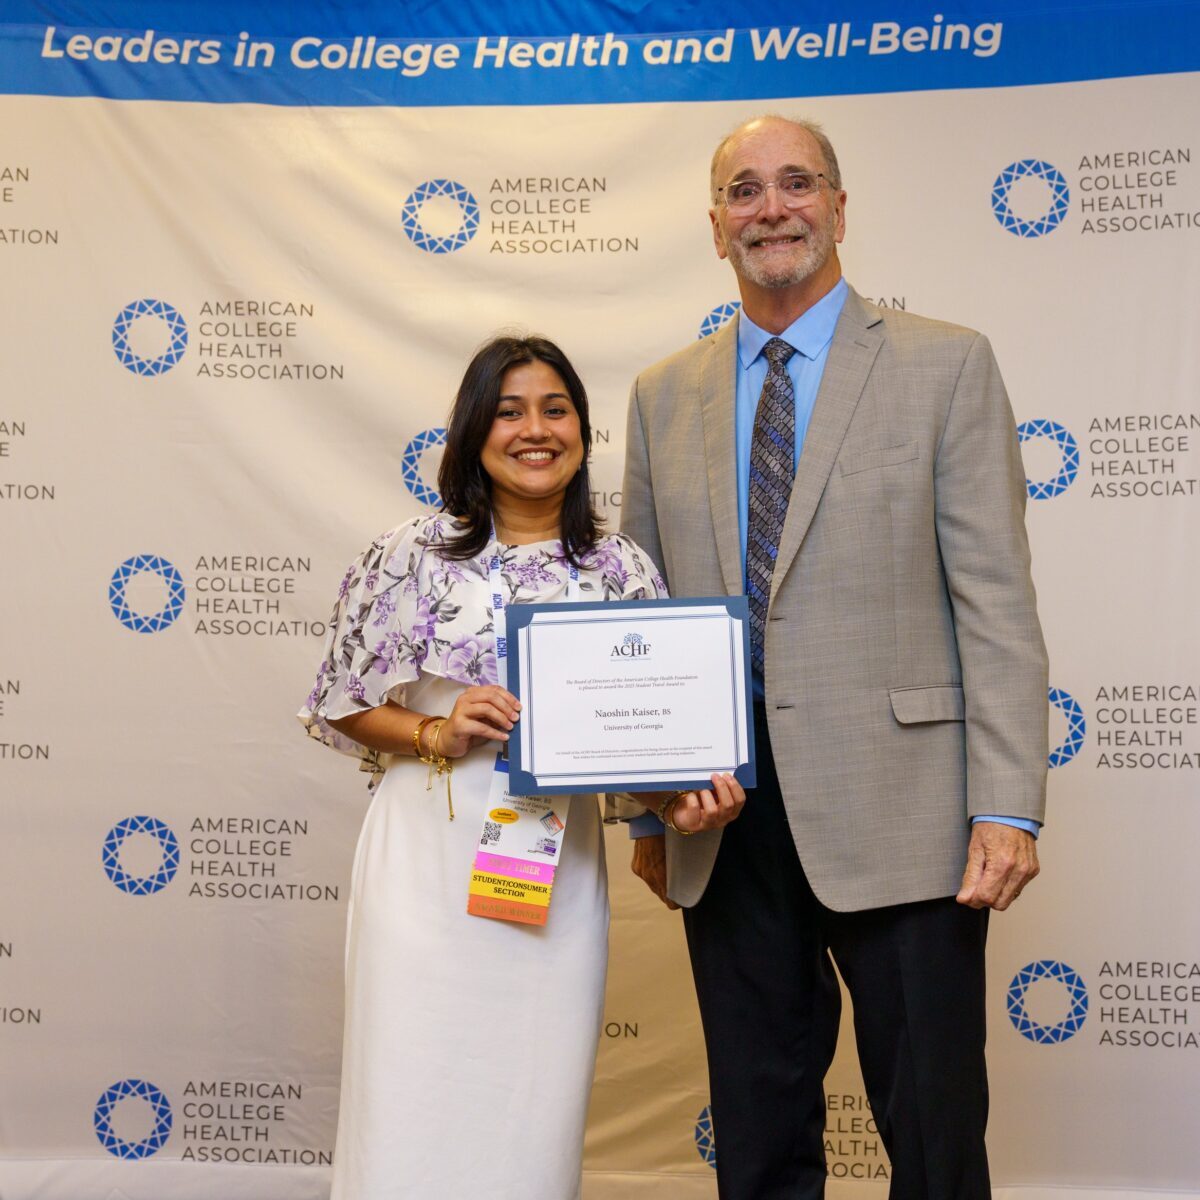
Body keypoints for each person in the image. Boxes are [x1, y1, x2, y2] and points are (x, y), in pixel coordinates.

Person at [619, 116, 1049, 1198]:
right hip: (725, 817)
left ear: (840, 206)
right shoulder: (662, 395)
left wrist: (1008, 803)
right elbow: (645, 611)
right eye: (745, 192)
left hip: (911, 812)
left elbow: (994, 600)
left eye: (796, 183)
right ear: (715, 227)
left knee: (936, 1137)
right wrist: (644, 803)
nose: (773, 208)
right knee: (758, 1141)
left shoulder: (946, 365)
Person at [299, 333, 744, 1200]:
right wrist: (435, 729)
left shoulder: (621, 569)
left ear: (581, 430)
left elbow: (645, 747)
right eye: (508, 412)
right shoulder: (415, 553)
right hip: (426, 859)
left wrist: (685, 803)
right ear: (474, 432)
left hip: (556, 865)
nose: (534, 430)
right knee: (411, 1089)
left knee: (530, 1102)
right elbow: (336, 700)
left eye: (555, 409)